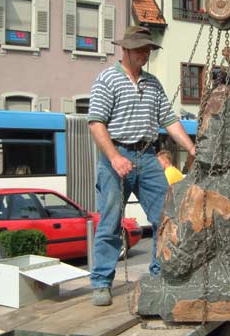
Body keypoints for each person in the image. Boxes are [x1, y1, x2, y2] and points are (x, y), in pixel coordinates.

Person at [88, 26, 195, 306]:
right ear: (125, 50)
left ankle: (159, 274)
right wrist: (114, 157)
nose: (145, 54)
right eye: (140, 49)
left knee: (165, 217)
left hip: (147, 157)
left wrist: (192, 147)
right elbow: (96, 123)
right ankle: (101, 283)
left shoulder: (153, 83)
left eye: (148, 49)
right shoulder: (107, 80)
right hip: (117, 154)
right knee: (111, 222)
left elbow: (169, 121)